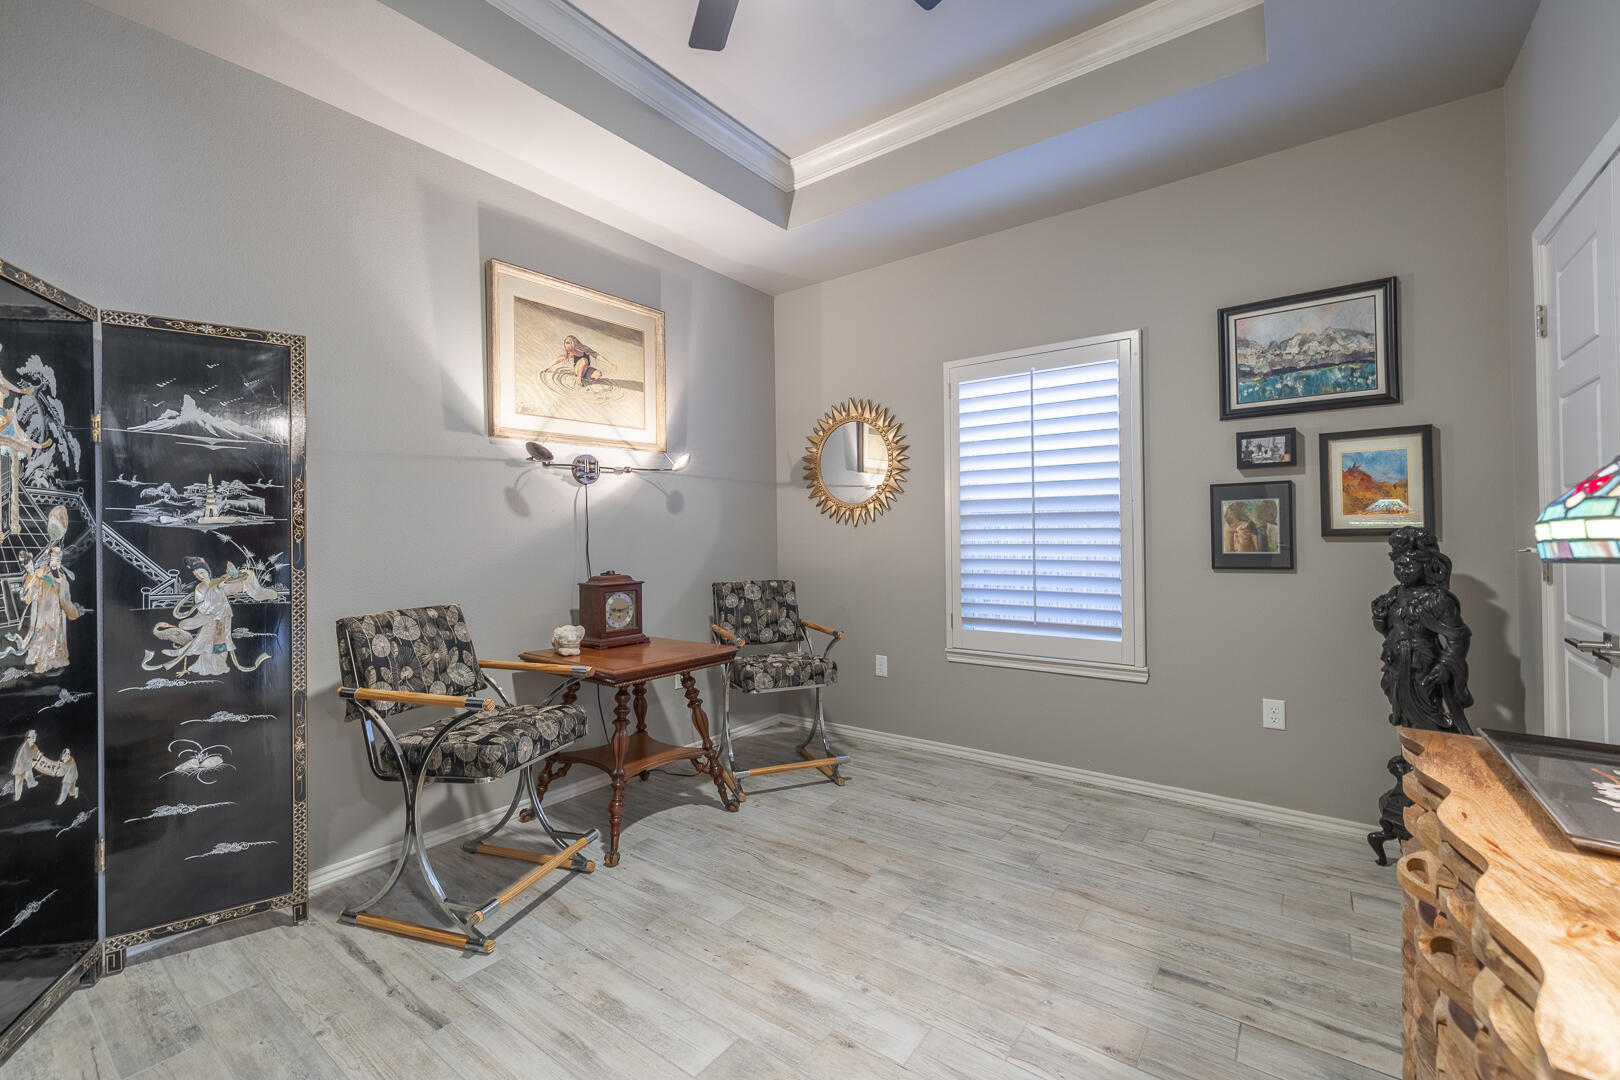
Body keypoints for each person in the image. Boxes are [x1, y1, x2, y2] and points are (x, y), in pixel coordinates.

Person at [143, 556, 277, 676]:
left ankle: (219, 666)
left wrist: (238, 580)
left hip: (223, 617)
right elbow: (202, 607)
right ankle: (206, 666)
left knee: (222, 643)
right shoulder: (200, 588)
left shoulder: (220, 581)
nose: (200, 576)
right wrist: (216, 589)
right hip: (210, 619)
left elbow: (234, 587)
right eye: (196, 574)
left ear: (207, 571)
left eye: (201, 572)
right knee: (207, 643)